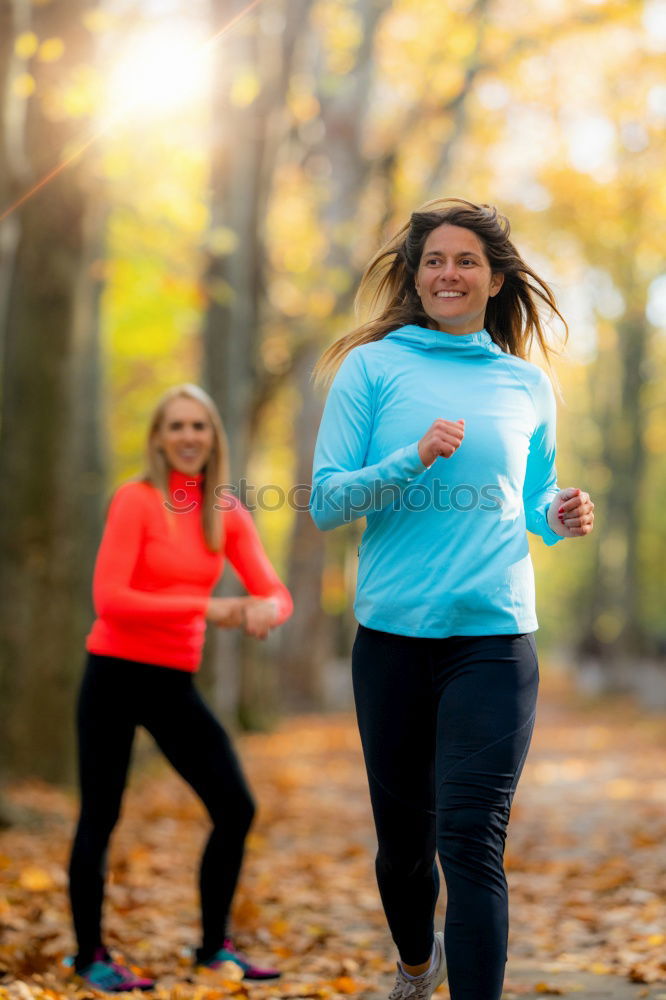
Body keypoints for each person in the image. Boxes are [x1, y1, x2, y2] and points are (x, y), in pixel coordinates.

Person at [310, 198, 594, 1000]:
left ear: (495, 279)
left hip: (494, 641)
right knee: (404, 850)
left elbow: (533, 498)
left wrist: (561, 512)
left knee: (472, 843)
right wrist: (412, 458)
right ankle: (413, 963)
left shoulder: (527, 384)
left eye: (467, 260)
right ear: (415, 275)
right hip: (393, 640)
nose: (449, 273)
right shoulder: (371, 369)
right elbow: (328, 502)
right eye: (435, 259)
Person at [68, 383, 293, 992]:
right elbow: (109, 599)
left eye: (199, 426)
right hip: (114, 673)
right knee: (101, 815)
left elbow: (277, 592)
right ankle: (90, 955)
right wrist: (213, 607)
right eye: (177, 426)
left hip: (172, 683)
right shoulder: (136, 501)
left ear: (212, 438)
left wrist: (263, 611)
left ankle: (213, 948)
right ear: (160, 439)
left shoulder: (225, 510)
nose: (189, 437)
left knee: (235, 807)